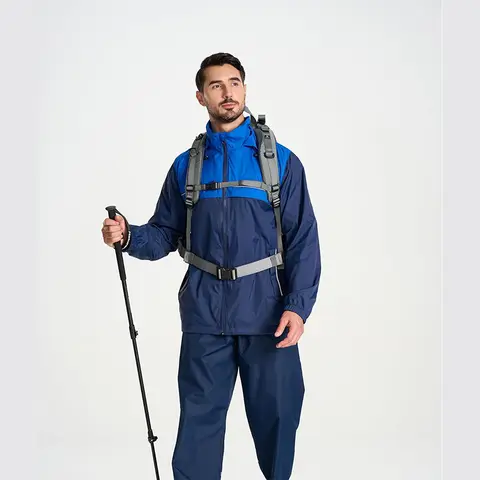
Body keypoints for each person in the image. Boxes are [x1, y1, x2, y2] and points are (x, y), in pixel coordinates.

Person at [101, 52, 321, 480]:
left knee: (278, 419)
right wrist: (128, 236)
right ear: (201, 96)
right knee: (198, 426)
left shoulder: (280, 162)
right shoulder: (187, 166)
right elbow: (164, 233)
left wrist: (297, 307)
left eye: (234, 83)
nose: (227, 92)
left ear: (245, 89)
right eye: (216, 85)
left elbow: (303, 240)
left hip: (268, 314)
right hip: (205, 315)